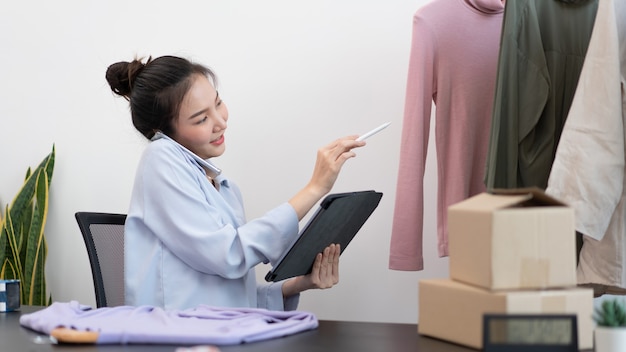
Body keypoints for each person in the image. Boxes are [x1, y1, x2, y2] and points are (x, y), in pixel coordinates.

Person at [105, 55, 365, 311]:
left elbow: (233, 298)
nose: (221, 122)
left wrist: (298, 284)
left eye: (218, 103)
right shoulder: (160, 158)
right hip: (180, 336)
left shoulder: (223, 187)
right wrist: (315, 188)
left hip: (218, 330)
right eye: (201, 119)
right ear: (164, 134)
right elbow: (228, 255)